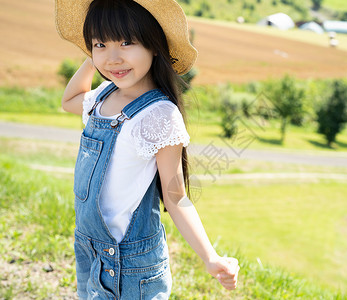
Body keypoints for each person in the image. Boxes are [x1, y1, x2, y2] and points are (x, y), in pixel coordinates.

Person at [55, 0, 239, 298]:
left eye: (127, 42)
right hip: (90, 250)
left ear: (154, 44)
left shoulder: (159, 115)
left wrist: (210, 257)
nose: (114, 58)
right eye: (101, 43)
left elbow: (176, 197)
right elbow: (69, 101)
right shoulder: (104, 96)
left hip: (131, 266)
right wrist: (93, 58)